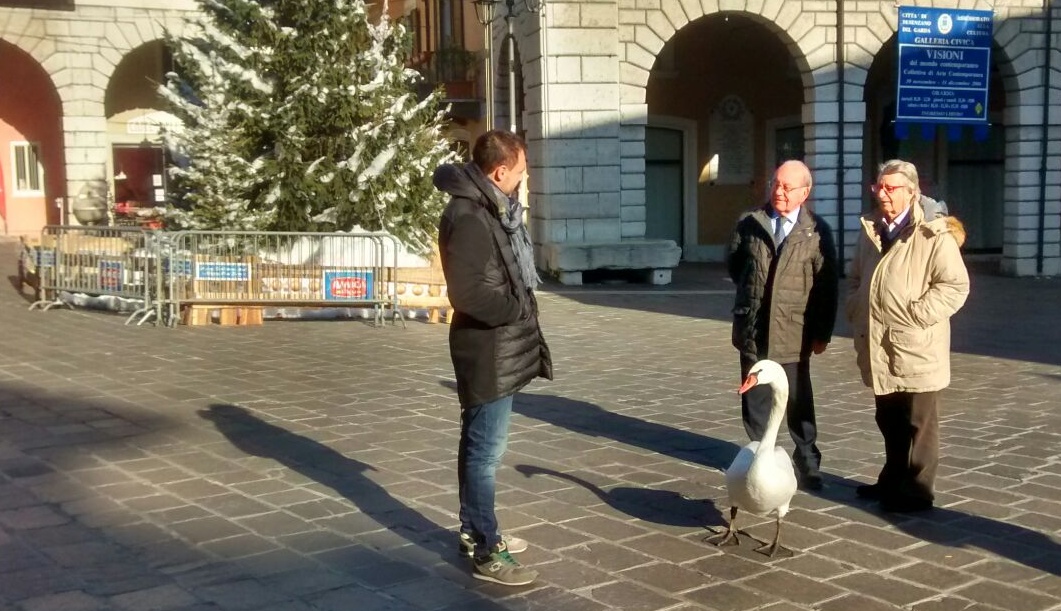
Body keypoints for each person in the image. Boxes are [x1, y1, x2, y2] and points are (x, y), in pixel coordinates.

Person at [433, 130, 553, 586]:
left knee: (479, 445)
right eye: (520, 172)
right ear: (500, 172)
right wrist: (516, 307)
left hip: (494, 347)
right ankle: (487, 546)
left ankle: (472, 527)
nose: (523, 180)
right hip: (486, 349)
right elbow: (465, 292)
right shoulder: (469, 216)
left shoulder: (486, 207)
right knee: (486, 451)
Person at [846, 159, 969, 513]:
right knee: (888, 417)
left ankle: (917, 490)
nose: (883, 194)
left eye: (891, 188)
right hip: (879, 342)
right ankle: (892, 478)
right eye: (879, 187)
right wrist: (856, 304)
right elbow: (855, 277)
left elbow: (955, 286)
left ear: (912, 192)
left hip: (917, 345)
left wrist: (916, 315)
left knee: (919, 423)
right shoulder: (870, 228)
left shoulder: (933, 233)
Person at [727, 159, 839, 491]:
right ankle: (764, 458)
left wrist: (822, 333)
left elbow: (827, 286)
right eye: (776, 184)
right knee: (756, 400)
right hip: (754, 328)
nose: (779, 191)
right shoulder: (749, 222)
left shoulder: (817, 231)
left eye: (788, 187)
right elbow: (736, 265)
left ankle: (807, 460)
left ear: (805, 192)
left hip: (794, 330)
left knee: (797, 400)